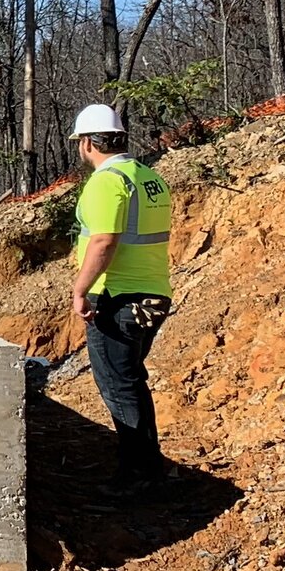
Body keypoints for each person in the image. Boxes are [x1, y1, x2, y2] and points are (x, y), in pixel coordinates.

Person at [67, 101, 174, 486]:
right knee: (130, 381)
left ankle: (140, 475)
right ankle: (146, 466)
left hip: (117, 298)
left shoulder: (106, 182)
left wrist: (80, 289)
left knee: (118, 384)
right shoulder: (149, 178)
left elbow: (104, 242)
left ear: (86, 144)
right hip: (153, 293)